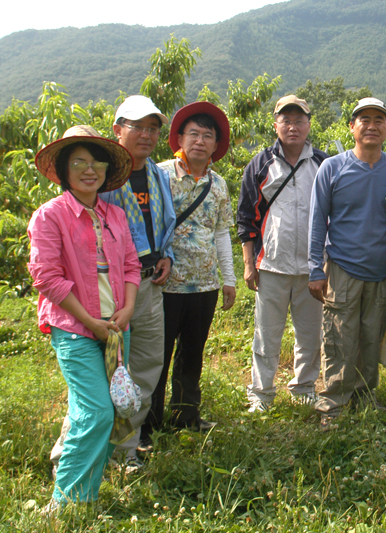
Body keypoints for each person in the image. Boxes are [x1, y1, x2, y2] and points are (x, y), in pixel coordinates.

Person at [49, 96, 175, 473]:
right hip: (100, 291)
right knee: (94, 376)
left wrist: (163, 254)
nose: (147, 135)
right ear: (117, 129)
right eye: (138, 126)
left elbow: (159, 224)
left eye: (153, 128)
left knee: (145, 366)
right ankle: (69, 453)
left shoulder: (156, 174)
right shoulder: (98, 177)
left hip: (145, 284)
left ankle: (125, 449)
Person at [28, 125, 139, 510]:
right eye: (78, 162)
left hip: (114, 327)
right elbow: (47, 278)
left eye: (96, 162)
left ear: (107, 170)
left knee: (99, 412)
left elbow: (130, 266)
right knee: (95, 411)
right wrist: (90, 321)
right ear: (63, 169)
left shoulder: (115, 215)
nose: (88, 170)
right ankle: (64, 503)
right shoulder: (49, 216)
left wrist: (127, 308)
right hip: (75, 329)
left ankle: (84, 498)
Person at [143, 101, 236, 437]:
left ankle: (186, 416)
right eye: (193, 134)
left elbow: (221, 232)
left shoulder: (219, 185)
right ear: (180, 139)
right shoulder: (160, 175)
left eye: (207, 136)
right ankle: (149, 423)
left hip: (204, 284)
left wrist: (228, 278)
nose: (199, 141)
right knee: (158, 354)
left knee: (193, 353)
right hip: (164, 284)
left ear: (215, 145)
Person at [308, 97, 386, 428]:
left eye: (379, 119)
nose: (372, 125)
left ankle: (364, 397)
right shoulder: (332, 168)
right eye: (364, 119)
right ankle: (332, 404)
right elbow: (317, 221)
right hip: (343, 268)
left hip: (384, 270)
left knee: (371, 337)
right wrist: (315, 268)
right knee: (339, 338)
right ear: (352, 127)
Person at [238, 95, 328, 412]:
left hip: (311, 269)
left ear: (308, 124)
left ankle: (304, 388)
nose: (292, 126)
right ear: (275, 124)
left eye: (299, 120)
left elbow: (334, 215)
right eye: (286, 120)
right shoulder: (261, 164)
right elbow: (246, 219)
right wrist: (249, 265)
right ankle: (261, 394)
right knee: (267, 336)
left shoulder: (323, 163)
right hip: (271, 267)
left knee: (310, 335)